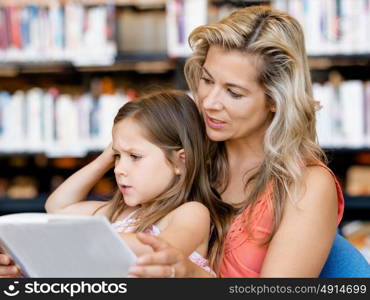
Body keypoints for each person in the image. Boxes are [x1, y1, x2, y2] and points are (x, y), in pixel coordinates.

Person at [126, 6, 369, 278]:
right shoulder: (186, 157)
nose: (209, 102)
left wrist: (191, 276)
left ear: (276, 100)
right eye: (207, 80)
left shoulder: (306, 185)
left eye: (234, 93)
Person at [0, 90, 233, 277]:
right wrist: (104, 158)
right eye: (117, 156)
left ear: (180, 161)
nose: (119, 169)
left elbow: (161, 249)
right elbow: (58, 207)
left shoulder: (191, 212)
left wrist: (75, 239)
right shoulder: (120, 213)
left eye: (135, 156)